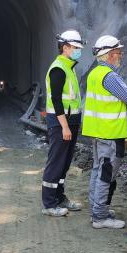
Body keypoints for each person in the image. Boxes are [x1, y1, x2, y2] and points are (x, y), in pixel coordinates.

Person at [82, 35, 127, 229]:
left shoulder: (95, 73)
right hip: (111, 134)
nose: (121, 55)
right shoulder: (109, 76)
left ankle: (97, 209)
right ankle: (100, 217)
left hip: (100, 132)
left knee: (98, 170)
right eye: (118, 52)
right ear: (110, 54)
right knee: (106, 174)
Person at [41, 30, 86, 217]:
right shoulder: (59, 68)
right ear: (65, 47)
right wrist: (65, 126)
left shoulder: (69, 67)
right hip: (61, 123)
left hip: (71, 122)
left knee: (64, 164)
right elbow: (57, 100)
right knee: (55, 163)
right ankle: (49, 204)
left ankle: (59, 197)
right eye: (75, 48)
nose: (78, 51)